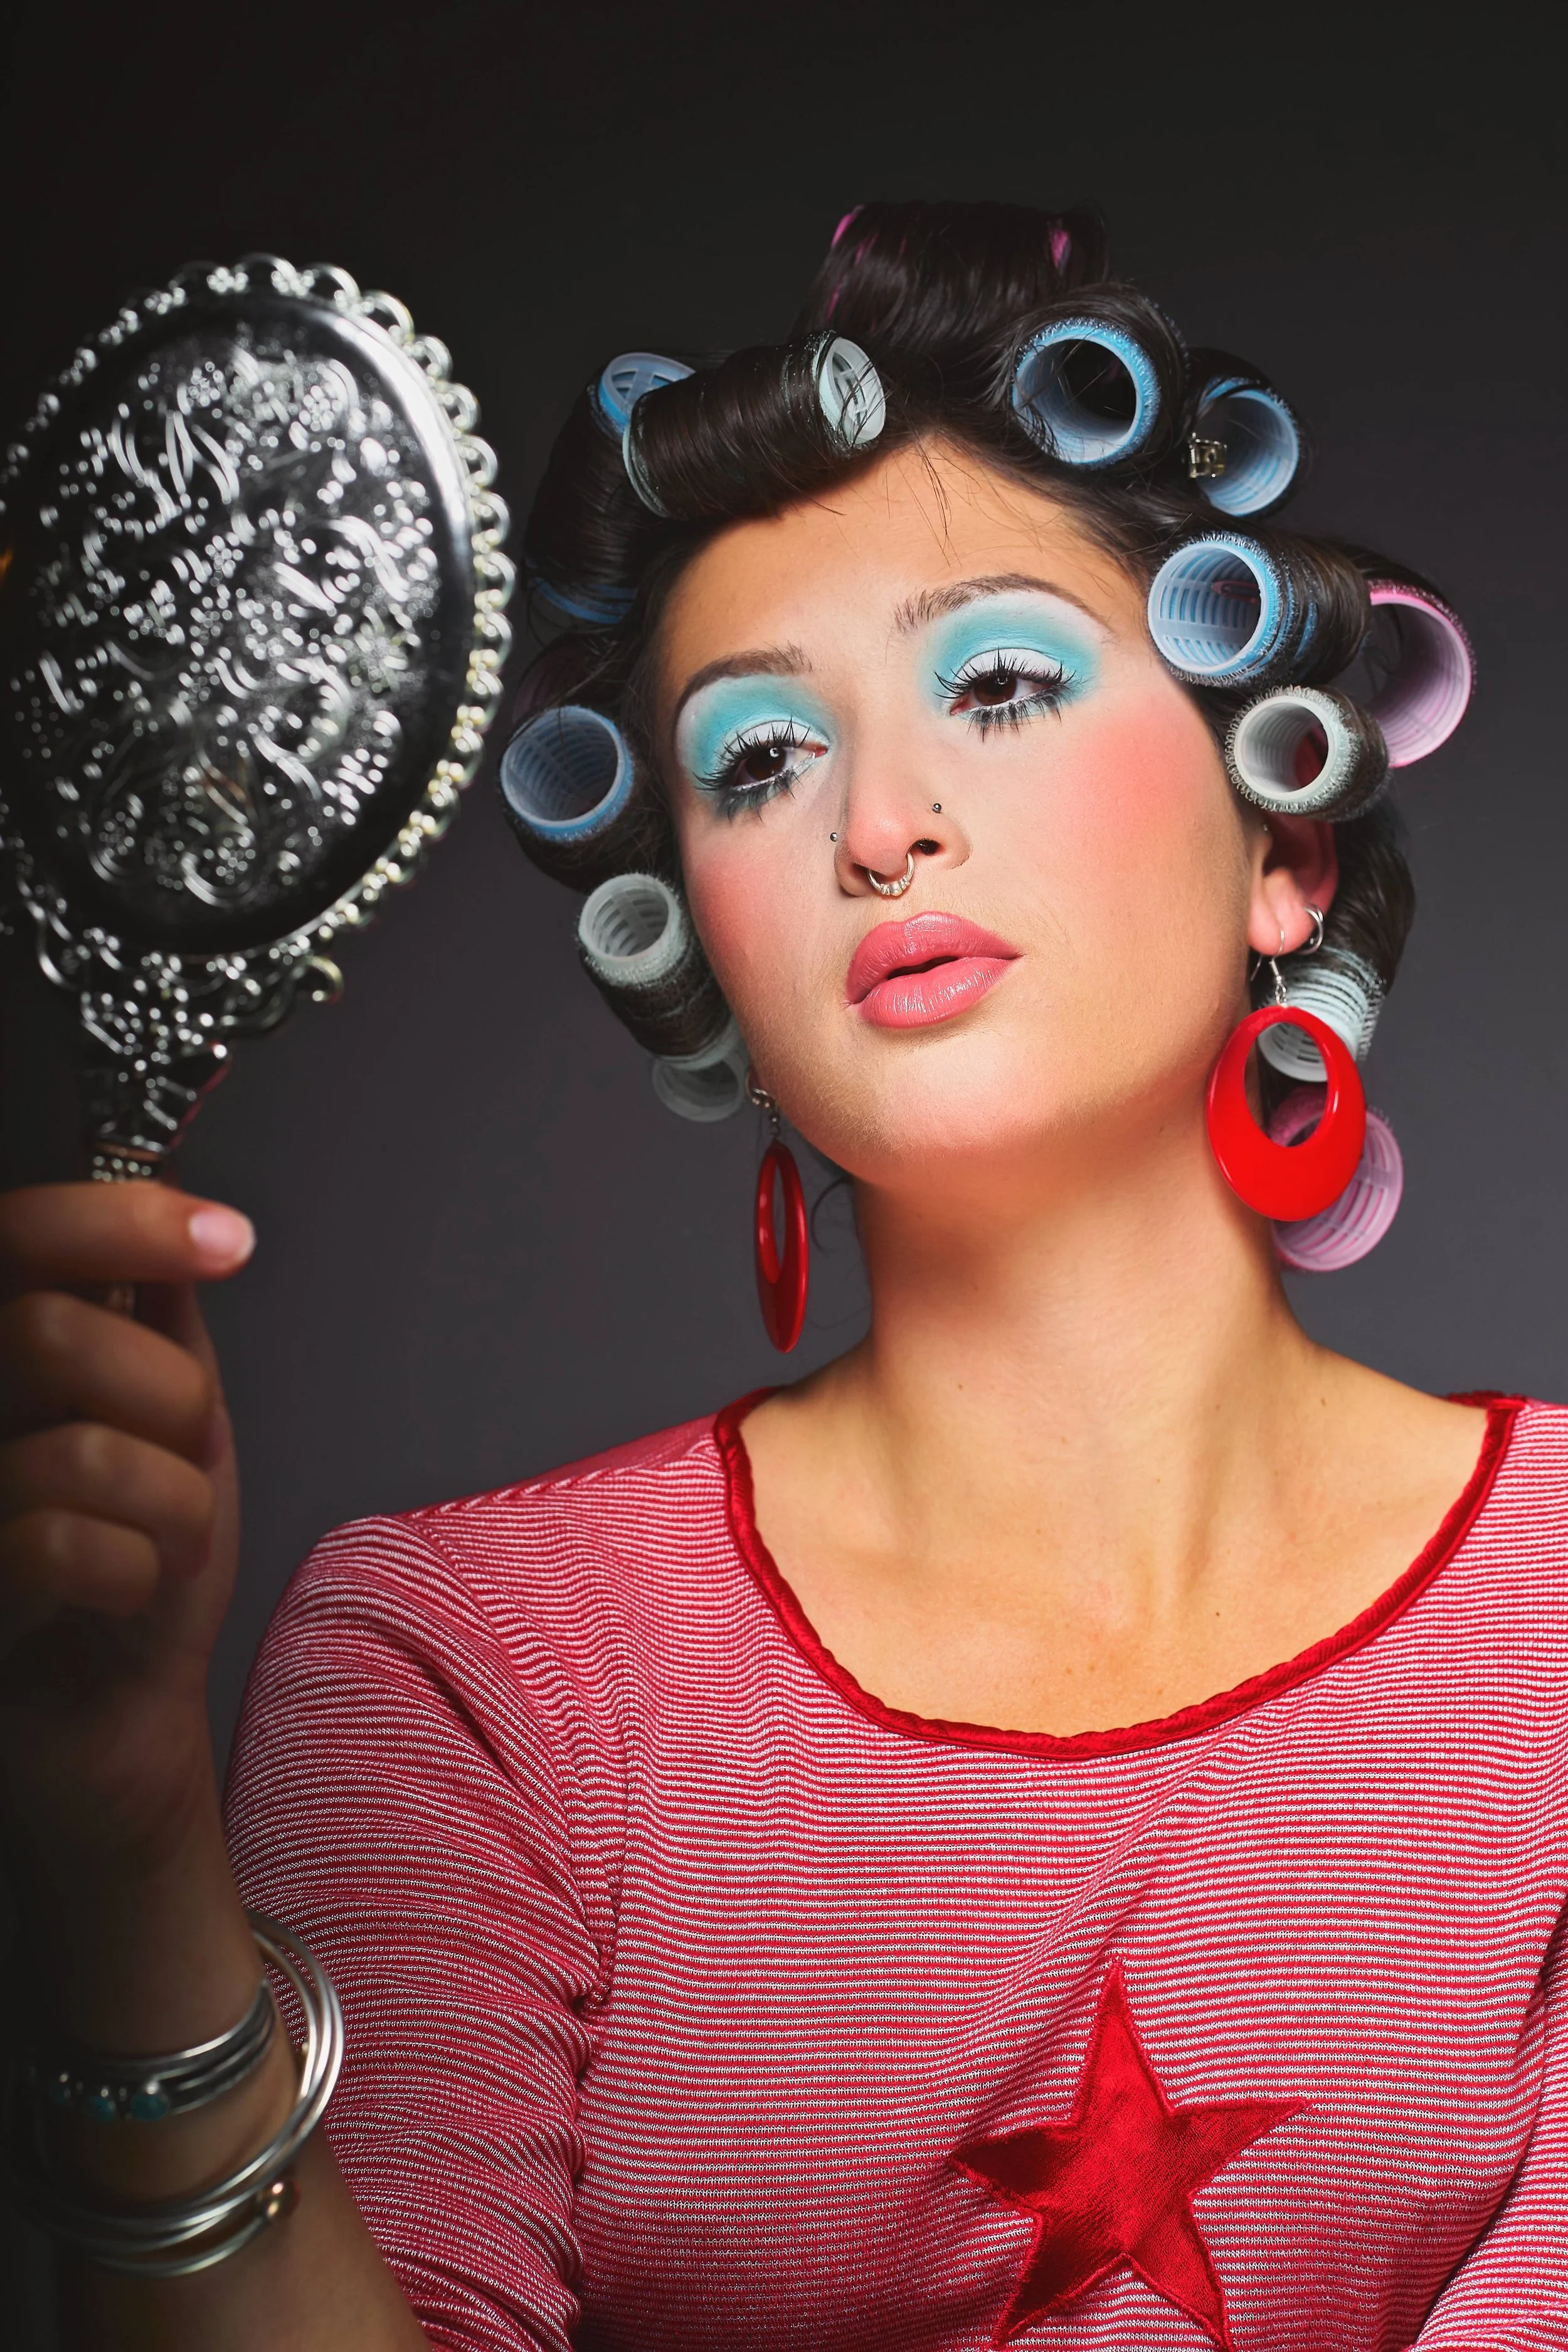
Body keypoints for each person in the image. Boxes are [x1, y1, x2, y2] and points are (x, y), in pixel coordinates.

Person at [0, 198, 1559, 2352]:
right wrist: (129, 1856)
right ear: (703, 954)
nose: (877, 823)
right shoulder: (463, 1668)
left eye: (995, 682)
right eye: (756, 753)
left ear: (1283, 845)